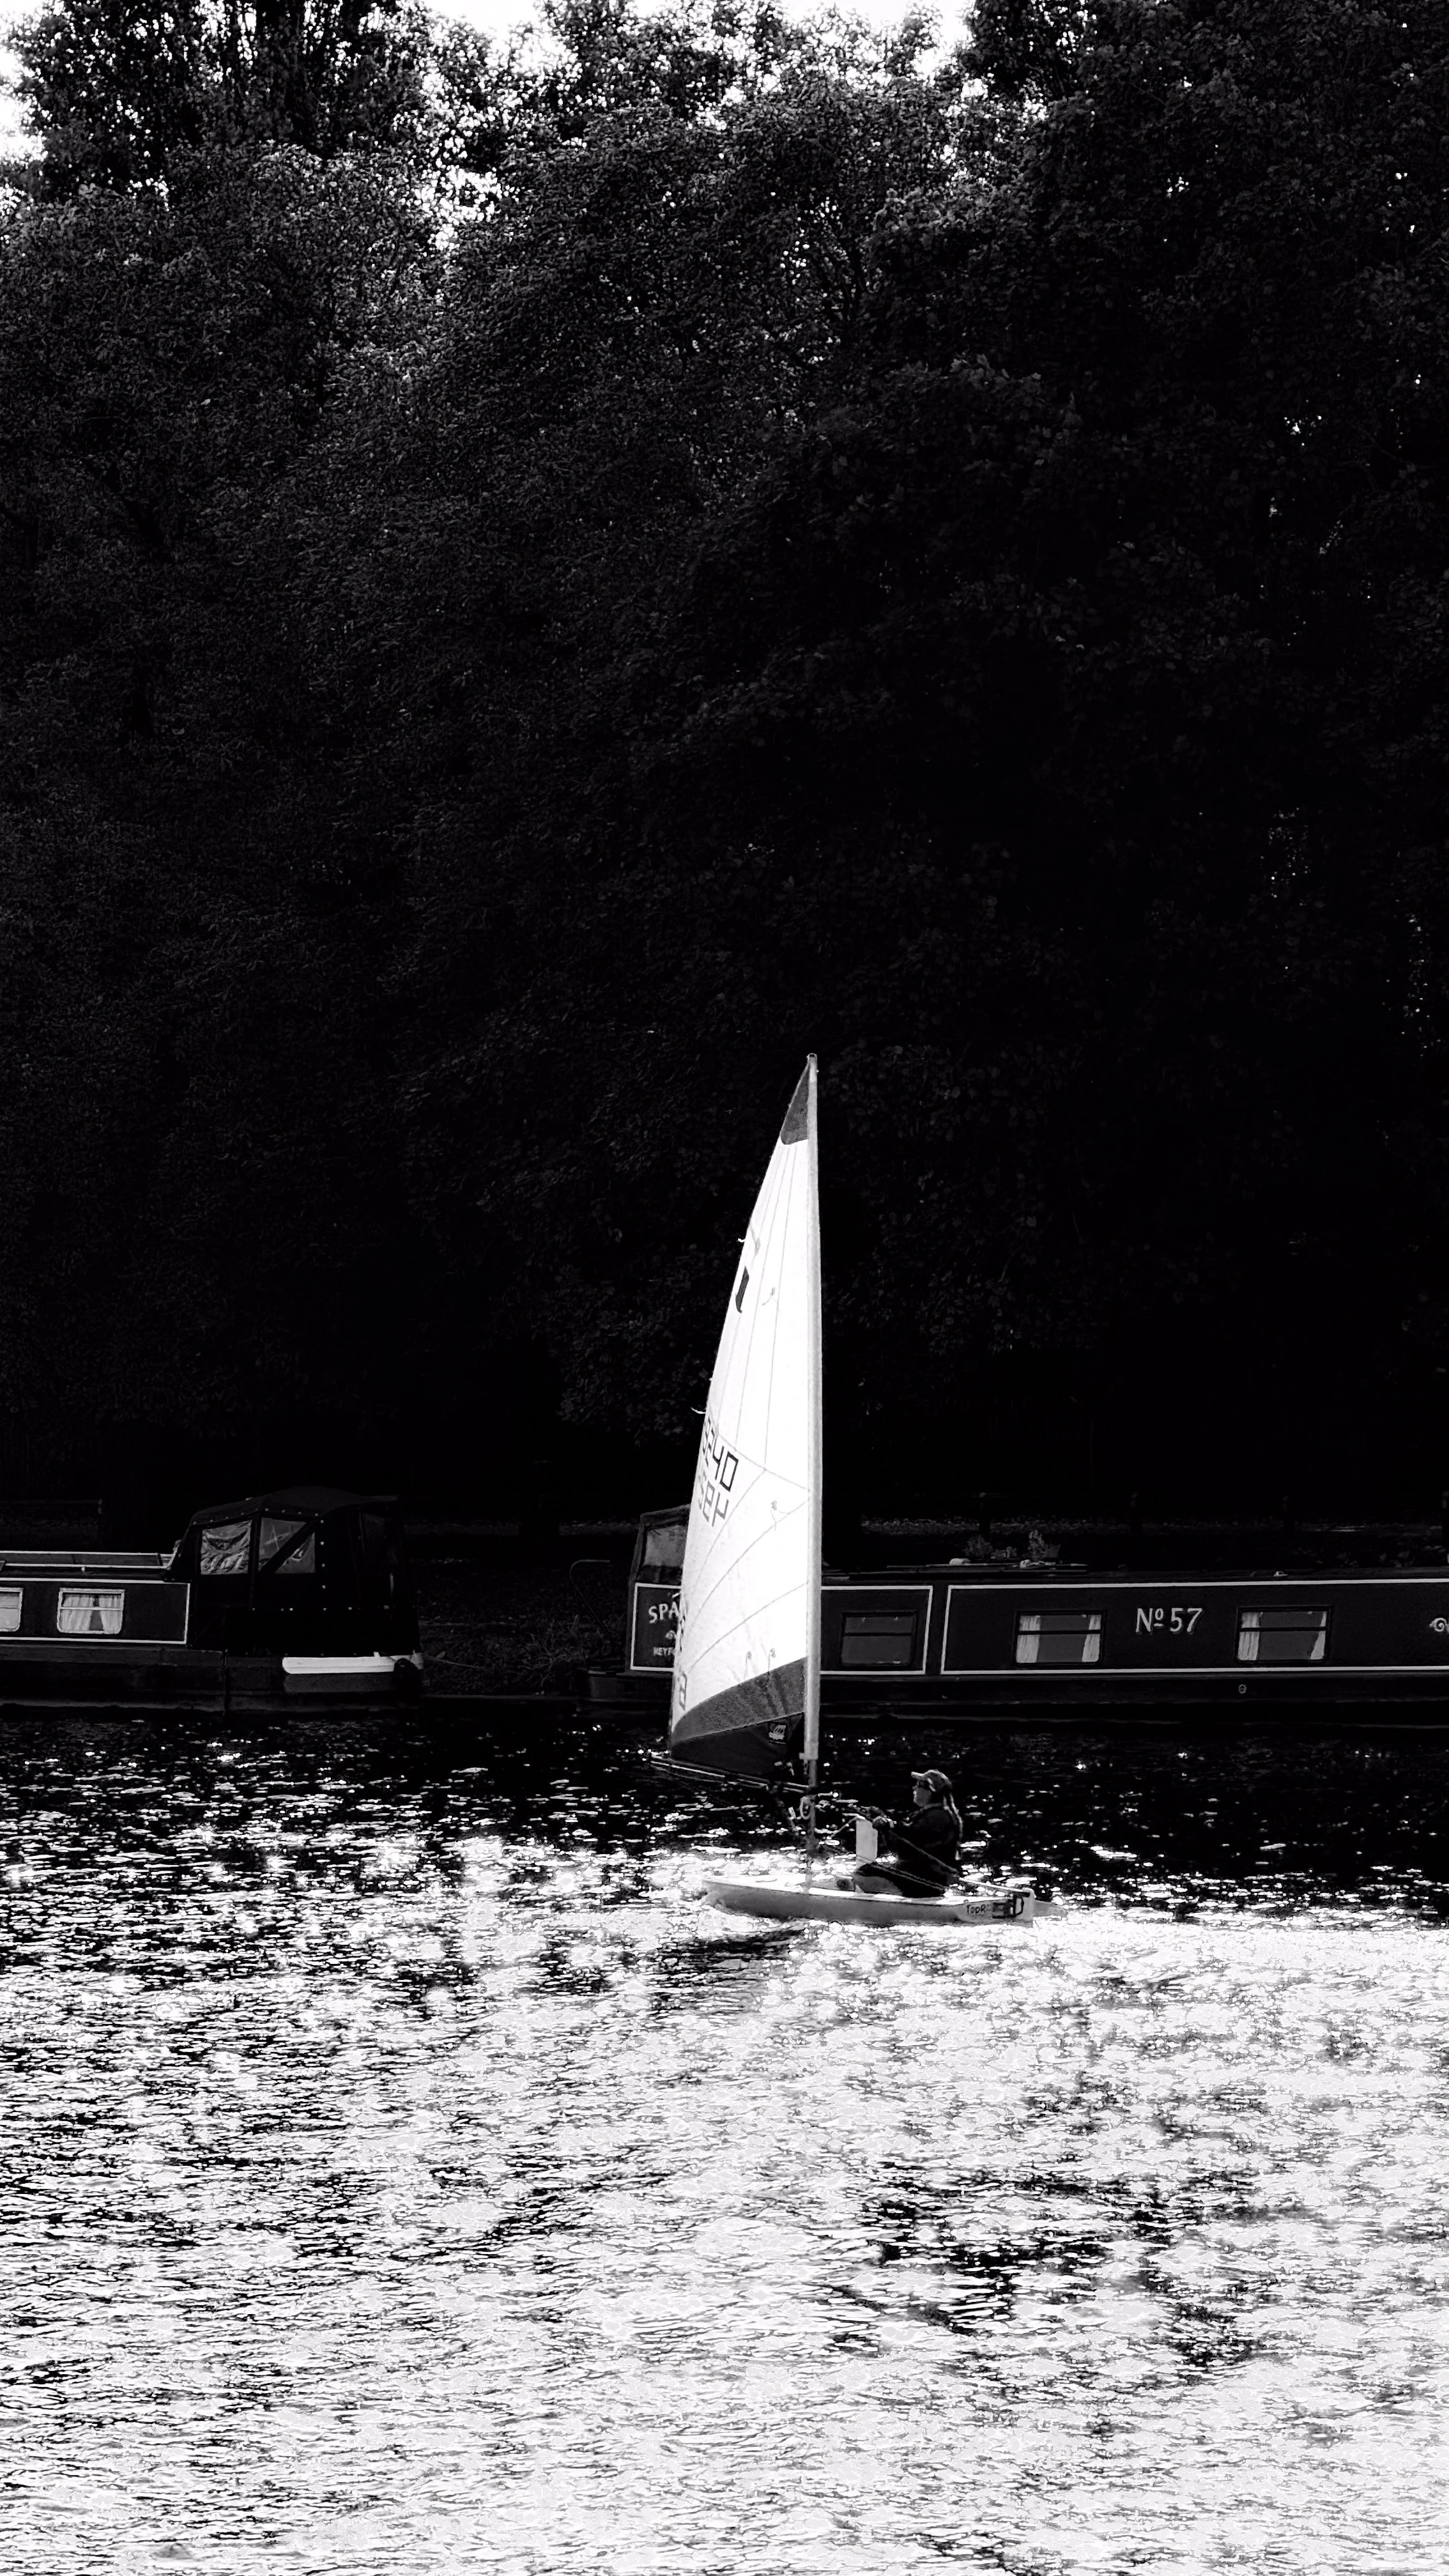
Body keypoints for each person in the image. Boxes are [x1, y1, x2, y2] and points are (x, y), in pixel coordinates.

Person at [853, 1768, 963, 1896]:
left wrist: (889, 1826)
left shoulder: (937, 1817)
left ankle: (901, 1899)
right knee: (872, 1869)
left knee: (864, 1872)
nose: (914, 1788)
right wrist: (885, 1826)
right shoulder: (938, 1814)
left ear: (930, 1791)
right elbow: (904, 1842)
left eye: (919, 1785)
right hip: (925, 1875)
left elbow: (910, 1842)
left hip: (926, 1878)